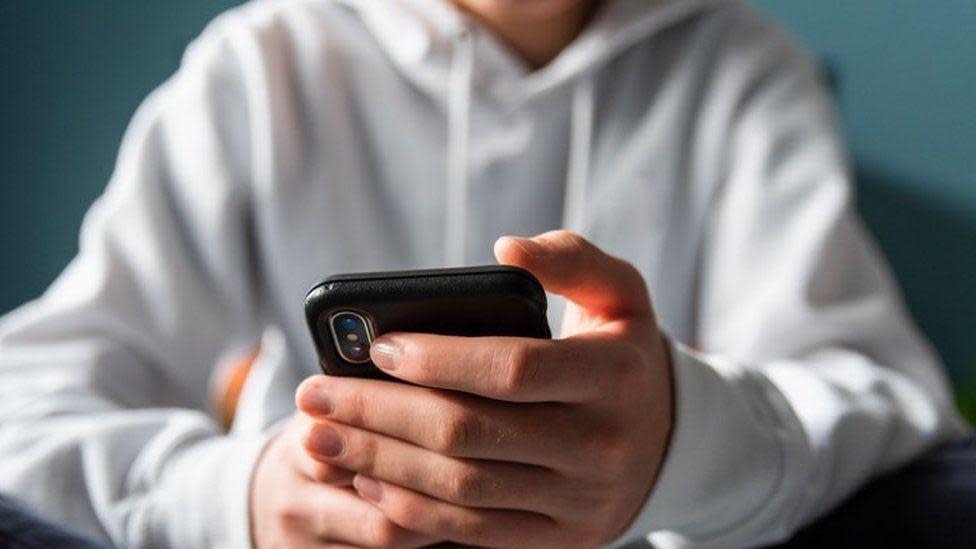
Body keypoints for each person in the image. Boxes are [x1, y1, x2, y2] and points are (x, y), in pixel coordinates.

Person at [0, 0, 970, 547]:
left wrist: (678, 441)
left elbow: (875, 389)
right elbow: (29, 394)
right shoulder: (260, 68)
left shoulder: (743, 67)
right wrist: (240, 497)